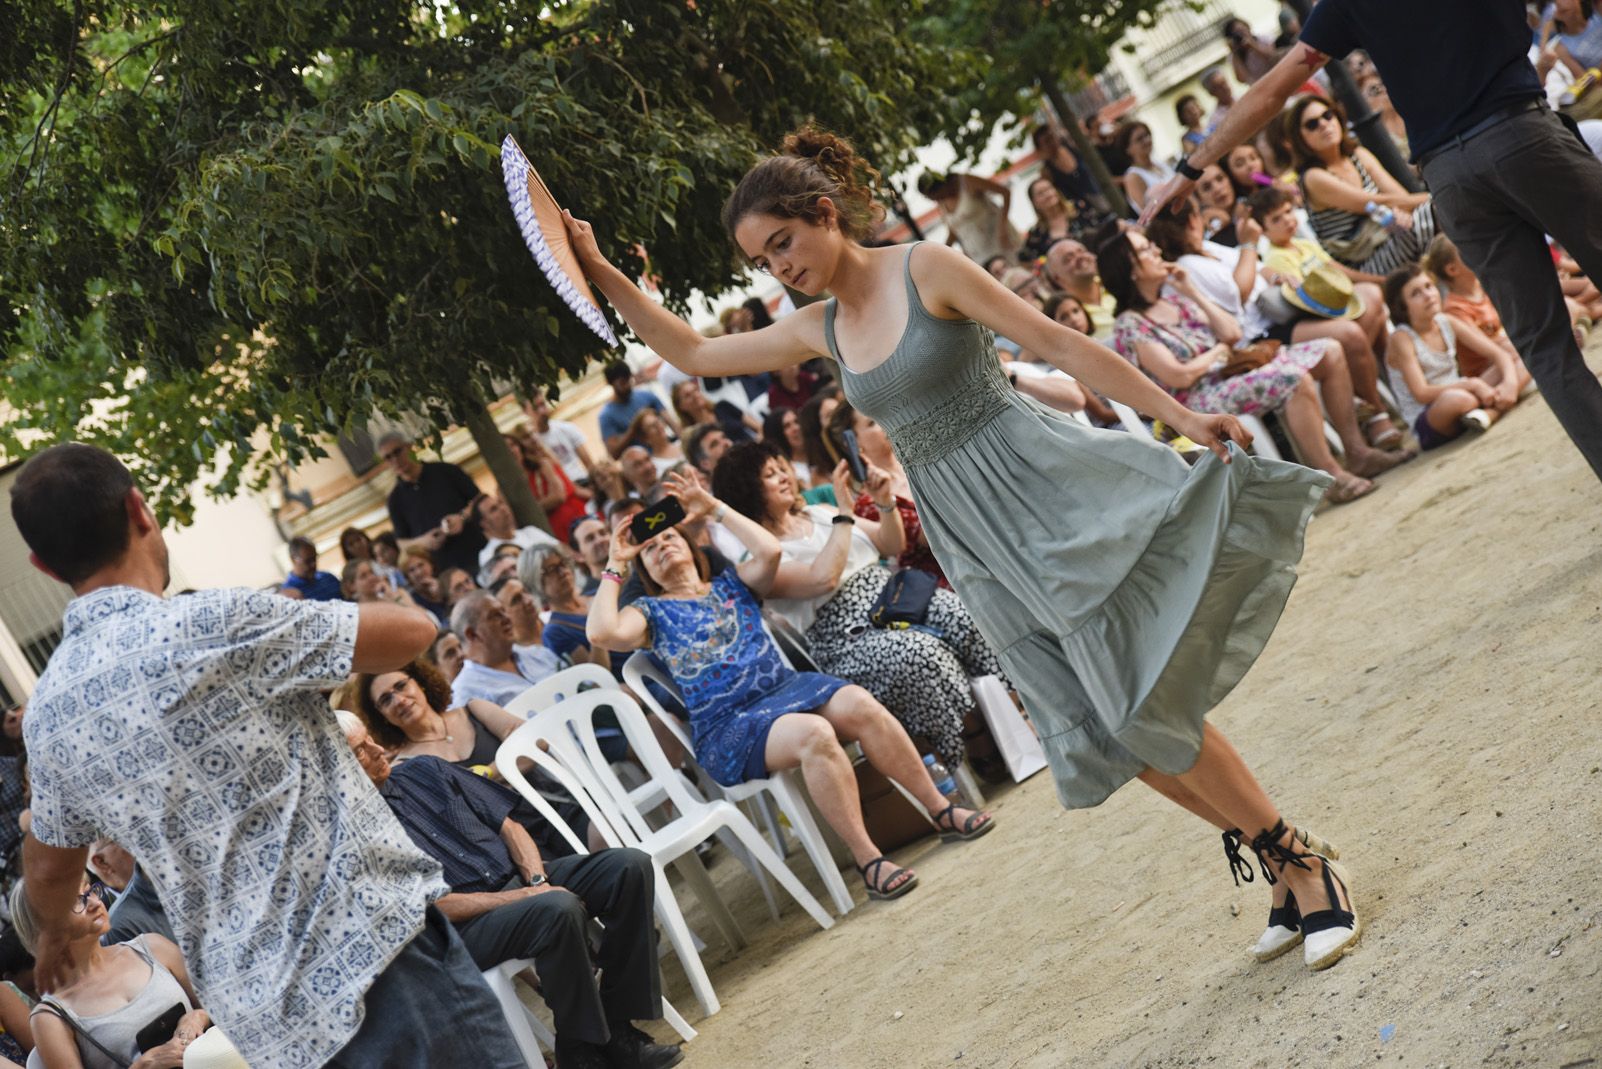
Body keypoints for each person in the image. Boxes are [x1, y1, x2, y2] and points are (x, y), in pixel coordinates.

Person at [563, 127, 1358, 971]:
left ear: (824, 215)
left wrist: (1185, 414)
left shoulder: (927, 268)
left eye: (782, 242)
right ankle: (1280, 866)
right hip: (972, 537)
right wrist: (600, 270)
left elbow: (1058, 345)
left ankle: (1304, 860)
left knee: (1140, 701)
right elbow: (689, 351)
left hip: (1041, 488)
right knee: (1098, 730)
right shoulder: (818, 327)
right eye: (763, 259)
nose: (778, 268)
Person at [7, 442, 527, 1067]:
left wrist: (54, 934)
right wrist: (292, 625)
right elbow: (414, 632)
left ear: (41, 563)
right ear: (139, 510)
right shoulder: (218, 622)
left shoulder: (51, 715)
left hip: (268, 1022)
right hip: (376, 955)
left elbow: (47, 871)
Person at [1143, 1, 1602, 484]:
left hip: (1451, 178)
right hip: (1519, 131)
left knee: (1543, 345)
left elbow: (1273, 88)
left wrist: (1190, 169)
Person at [585, 471, 994, 899]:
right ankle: (869, 859)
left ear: (690, 545)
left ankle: (941, 810)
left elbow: (770, 549)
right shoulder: (650, 611)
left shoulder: (732, 582)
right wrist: (617, 561)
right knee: (816, 734)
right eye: (649, 549)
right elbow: (601, 633)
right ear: (645, 570)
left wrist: (714, 508)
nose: (660, 546)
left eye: (668, 537)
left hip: (786, 691)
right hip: (730, 726)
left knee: (859, 703)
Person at [336, 714, 680, 1069]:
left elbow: (509, 826)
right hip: (463, 929)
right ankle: (599, 1048)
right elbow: (431, 906)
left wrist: (535, 882)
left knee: (628, 867)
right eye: (361, 750)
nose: (378, 750)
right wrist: (526, 898)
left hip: (523, 880)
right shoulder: (356, 836)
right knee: (558, 910)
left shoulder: (425, 770)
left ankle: (607, 1033)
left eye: (371, 738)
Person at [711, 440, 1006, 772]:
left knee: (962, 616)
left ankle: (1018, 715)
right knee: (920, 652)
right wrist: (844, 513)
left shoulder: (820, 514)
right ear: (747, 490)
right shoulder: (760, 561)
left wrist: (885, 504)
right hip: (846, 639)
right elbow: (822, 579)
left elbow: (891, 544)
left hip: (895, 598)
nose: (783, 476)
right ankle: (973, 741)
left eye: (782, 468)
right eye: (769, 474)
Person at [1101, 230, 1383, 503]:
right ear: (1131, 270)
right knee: (1292, 379)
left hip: (1229, 374)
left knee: (1329, 351)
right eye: (1145, 250)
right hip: (1194, 402)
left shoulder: (1177, 300)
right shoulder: (1131, 324)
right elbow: (1179, 375)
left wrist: (1191, 291)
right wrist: (1219, 351)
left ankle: (1357, 452)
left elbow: (1232, 332)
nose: (1157, 251)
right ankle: (1330, 477)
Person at [13, 879, 239, 1069]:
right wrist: (144, 1064)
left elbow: (225, 1006)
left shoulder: (152, 947)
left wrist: (197, 1017)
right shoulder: (51, 1017)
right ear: (45, 926)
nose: (95, 902)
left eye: (90, 890)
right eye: (76, 901)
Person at [1252, 187, 1403, 448]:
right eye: (1276, 219)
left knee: (1371, 297)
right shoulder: (1276, 257)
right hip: (1312, 317)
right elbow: (1300, 299)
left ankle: (1367, 394)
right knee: (1362, 326)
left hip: (1335, 309)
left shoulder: (1303, 245)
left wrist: (1380, 281)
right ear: (1264, 231)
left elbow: (1339, 273)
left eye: (1288, 212)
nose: (1287, 220)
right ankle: (1378, 411)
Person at [1283, 96, 1437, 280]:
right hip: (1367, 263)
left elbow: (1401, 198)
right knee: (1439, 209)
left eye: (1328, 115)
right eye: (1312, 124)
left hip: (1397, 236)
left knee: (1440, 220)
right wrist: (1437, 196)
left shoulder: (1358, 154)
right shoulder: (1313, 177)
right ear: (1300, 139)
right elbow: (1378, 202)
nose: (1324, 124)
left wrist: (1401, 212)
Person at [1383, 265, 1530, 451]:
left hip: (1465, 392)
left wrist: (1509, 383)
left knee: (1520, 353)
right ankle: (1492, 407)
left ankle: (1491, 413)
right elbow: (1421, 393)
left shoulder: (1445, 321)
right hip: (1432, 415)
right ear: (1401, 308)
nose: (1428, 295)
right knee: (1458, 399)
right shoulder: (1401, 339)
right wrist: (1472, 384)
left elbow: (1497, 353)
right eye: (1416, 294)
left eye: (1429, 286)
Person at [822, 400, 947, 586]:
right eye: (872, 422)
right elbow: (933, 535)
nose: (884, 423)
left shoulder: (918, 453)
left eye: (882, 415)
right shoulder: (868, 502)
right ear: (853, 443)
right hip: (944, 577)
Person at [379, 431, 488, 575]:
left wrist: (461, 518)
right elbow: (401, 543)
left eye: (397, 452)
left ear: (410, 447)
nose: (395, 460)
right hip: (443, 572)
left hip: (479, 554)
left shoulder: (446, 471)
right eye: (388, 457)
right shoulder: (395, 500)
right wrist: (423, 542)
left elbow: (480, 500)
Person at [450, 590, 563, 708]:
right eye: (494, 616)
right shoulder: (466, 694)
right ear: (472, 634)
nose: (506, 618)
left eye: (503, 611)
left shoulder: (539, 654)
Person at [505, 428, 592, 545]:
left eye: (513, 445)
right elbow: (515, 521)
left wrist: (529, 511)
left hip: (575, 517)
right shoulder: (504, 489)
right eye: (506, 448)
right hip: (551, 534)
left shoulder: (541, 464)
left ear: (519, 446)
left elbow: (559, 496)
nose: (511, 450)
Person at [917, 170, 1019, 267]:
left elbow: (1005, 192)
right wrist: (941, 252)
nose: (933, 199)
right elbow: (954, 232)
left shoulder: (966, 182)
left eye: (932, 195)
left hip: (1000, 242)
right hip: (978, 256)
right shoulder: (941, 203)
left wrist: (1002, 227)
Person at [471, 492, 560, 585]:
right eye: (494, 509)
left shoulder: (531, 531)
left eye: (501, 503)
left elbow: (562, 550)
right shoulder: (487, 555)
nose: (503, 509)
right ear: (484, 523)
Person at [599, 363, 679, 459]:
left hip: (666, 452)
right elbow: (614, 453)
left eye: (629, 380)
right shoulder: (606, 416)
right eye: (622, 383)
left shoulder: (647, 396)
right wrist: (634, 427)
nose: (627, 386)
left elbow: (671, 423)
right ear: (610, 383)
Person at [1041, 239, 1116, 340]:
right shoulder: (1063, 312)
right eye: (1069, 259)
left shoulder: (1116, 280)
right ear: (1057, 278)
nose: (1080, 257)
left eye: (1081, 251)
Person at [523, 387, 599, 487]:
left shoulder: (566, 427)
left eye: (542, 405)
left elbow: (589, 464)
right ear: (526, 412)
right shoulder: (530, 443)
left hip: (582, 480)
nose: (542, 411)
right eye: (535, 408)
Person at [1114, 122, 1176, 212]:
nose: (1147, 140)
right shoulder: (1133, 177)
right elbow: (1147, 211)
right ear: (1128, 149)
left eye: (1147, 135)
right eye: (1139, 139)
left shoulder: (1159, 163)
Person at [797, 388, 842, 490]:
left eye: (839, 410)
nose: (839, 418)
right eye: (830, 415)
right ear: (817, 428)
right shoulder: (820, 476)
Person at [340, 527, 405, 589]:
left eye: (358, 539)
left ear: (365, 538)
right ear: (346, 550)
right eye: (351, 544)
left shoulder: (381, 552)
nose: (357, 545)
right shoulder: (353, 572)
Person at [281, 536, 341, 601]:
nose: (313, 564)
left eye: (314, 558)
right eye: (308, 560)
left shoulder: (328, 578)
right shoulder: (289, 594)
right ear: (293, 559)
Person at [1224, 17, 1280, 85]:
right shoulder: (1234, 57)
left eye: (1241, 30)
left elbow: (1275, 57)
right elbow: (1242, 79)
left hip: (1278, 76)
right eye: (1236, 34)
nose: (1240, 35)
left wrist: (1253, 46)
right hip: (1262, 86)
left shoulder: (1264, 39)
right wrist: (1235, 53)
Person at [569, 516, 612, 595]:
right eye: (590, 538)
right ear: (578, 556)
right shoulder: (589, 598)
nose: (600, 540)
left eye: (603, 533)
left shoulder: (637, 568)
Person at [1200, 67, 1237, 133]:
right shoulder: (1215, 121)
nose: (1225, 87)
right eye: (1219, 87)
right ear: (1211, 93)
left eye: (1224, 82)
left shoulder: (1243, 98)